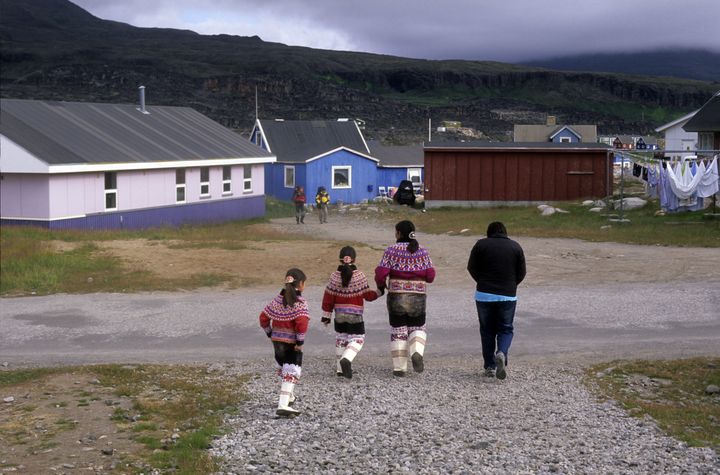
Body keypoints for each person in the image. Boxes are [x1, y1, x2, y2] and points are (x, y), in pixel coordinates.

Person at [375, 220, 435, 376]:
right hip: (418, 298)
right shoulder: (423, 251)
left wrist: (381, 286)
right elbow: (430, 276)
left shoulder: (391, 250)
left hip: (396, 297)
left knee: (398, 330)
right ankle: (417, 352)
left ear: (399, 233)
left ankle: (400, 368)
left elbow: (381, 273)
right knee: (418, 327)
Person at [467, 222, 526, 380]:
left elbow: (471, 267)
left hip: (484, 294)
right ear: (505, 232)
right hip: (507, 295)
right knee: (506, 328)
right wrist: (511, 285)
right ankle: (501, 353)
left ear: (489, 232)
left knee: (487, 331)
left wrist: (481, 281)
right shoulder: (515, 247)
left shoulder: (481, 245)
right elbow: (521, 272)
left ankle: (490, 367)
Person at [321, 246, 382, 379]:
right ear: (354, 259)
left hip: (339, 316)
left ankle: (339, 369)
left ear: (340, 259)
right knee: (357, 339)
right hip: (355, 315)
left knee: (341, 338)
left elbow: (328, 298)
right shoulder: (359, 276)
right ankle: (347, 359)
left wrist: (326, 316)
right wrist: (379, 292)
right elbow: (368, 295)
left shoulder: (334, 277)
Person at [259, 268, 310, 416]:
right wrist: (300, 341)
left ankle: (290, 397)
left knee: (284, 368)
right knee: (291, 371)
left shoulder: (276, 301)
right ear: (300, 284)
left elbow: (263, 317)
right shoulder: (300, 303)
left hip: (277, 341)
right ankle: (283, 404)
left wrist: (270, 332)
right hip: (291, 342)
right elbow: (302, 323)